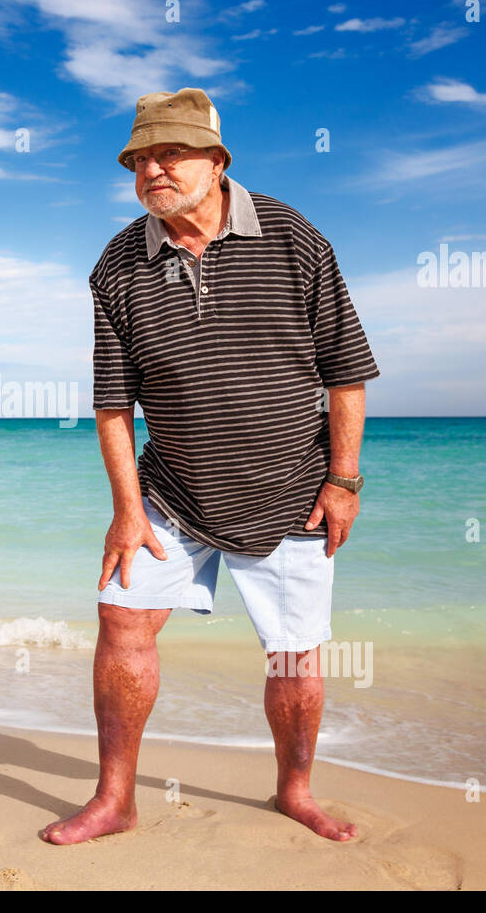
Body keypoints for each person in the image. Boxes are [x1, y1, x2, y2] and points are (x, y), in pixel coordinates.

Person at [42, 88, 380, 845]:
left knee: (295, 650)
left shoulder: (296, 239)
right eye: (139, 159)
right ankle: (115, 798)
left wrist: (344, 480)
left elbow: (346, 373)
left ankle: (295, 789)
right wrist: (129, 509)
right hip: (172, 489)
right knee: (120, 615)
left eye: (170, 153)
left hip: (291, 486)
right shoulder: (119, 263)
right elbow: (113, 406)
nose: (152, 169)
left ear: (218, 161)